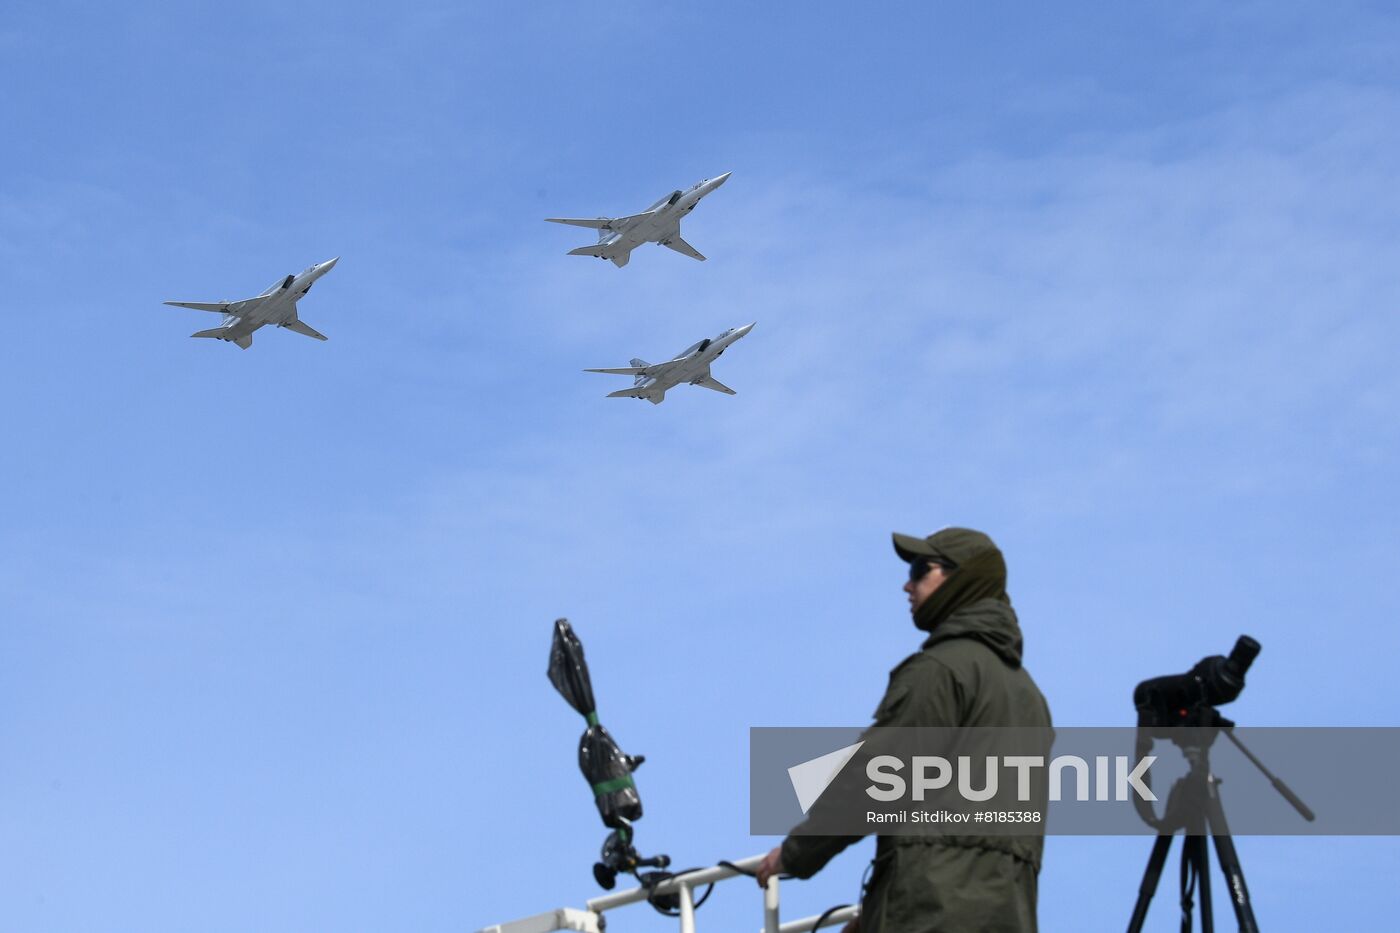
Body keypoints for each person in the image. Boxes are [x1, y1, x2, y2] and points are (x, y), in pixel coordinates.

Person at [756, 527, 1052, 933]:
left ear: (961, 578)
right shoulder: (1028, 696)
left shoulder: (941, 670)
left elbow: (874, 778)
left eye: (919, 569)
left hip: (930, 915)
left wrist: (794, 854)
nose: (906, 584)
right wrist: (878, 912)